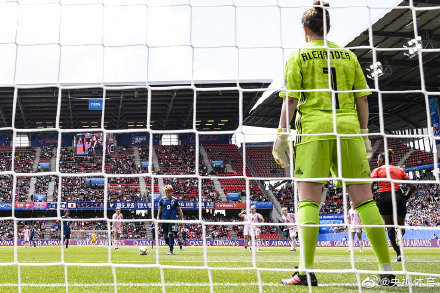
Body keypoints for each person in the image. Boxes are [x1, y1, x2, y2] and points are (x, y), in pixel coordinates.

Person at [272, 0, 395, 286]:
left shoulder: (298, 56)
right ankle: (387, 269)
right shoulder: (348, 56)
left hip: (313, 130)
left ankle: (306, 271)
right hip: (349, 130)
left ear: (305, 29)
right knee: (364, 200)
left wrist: (281, 134)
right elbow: (362, 100)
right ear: (328, 28)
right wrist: (364, 134)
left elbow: (291, 99)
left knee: (308, 200)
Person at [371, 149, 416, 262]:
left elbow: (370, 185)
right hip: (398, 197)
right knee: (400, 227)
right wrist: (406, 197)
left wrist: (371, 198)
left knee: (390, 227)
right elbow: (413, 186)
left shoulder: (377, 170)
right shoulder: (399, 170)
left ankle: (398, 254)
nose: (377, 162)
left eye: (378, 160)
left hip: (384, 198)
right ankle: (399, 236)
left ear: (381, 160)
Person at [157, 185, 184, 255]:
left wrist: (182, 218)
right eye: (166, 192)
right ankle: (170, 246)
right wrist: (158, 217)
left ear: (171, 192)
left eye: (169, 192)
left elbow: (179, 209)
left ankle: (171, 250)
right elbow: (160, 209)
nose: (168, 194)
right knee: (165, 235)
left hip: (172, 219)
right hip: (164, 220)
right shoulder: (162, 200)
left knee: (171, 233)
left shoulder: (175, 200)